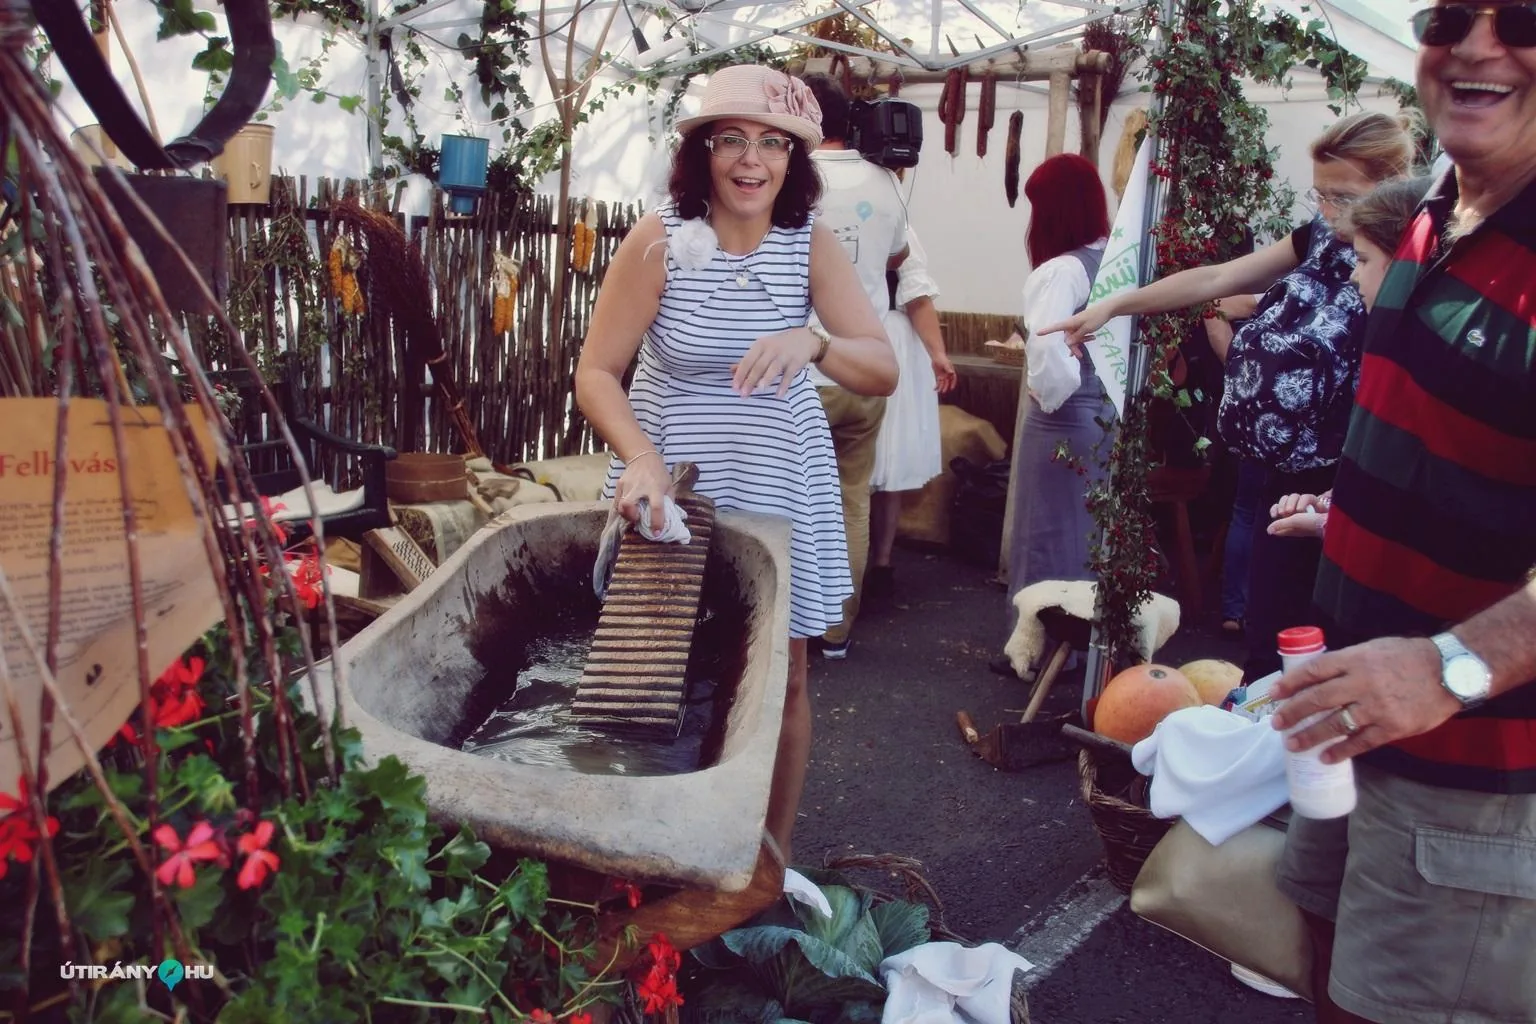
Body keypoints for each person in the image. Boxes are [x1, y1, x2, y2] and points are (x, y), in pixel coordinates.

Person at [1269, 4, 1536, 1021]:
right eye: (1453, 14)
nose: (1477, 44)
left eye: (1522, 17)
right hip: (1358, 733)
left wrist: (1448, 666)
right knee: (1327, 984)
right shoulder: (1432, 210)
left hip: (1473, 780)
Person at [573, 64, 897, 861]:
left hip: (779, 480)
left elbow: (881, 368)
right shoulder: (658, 242)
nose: (752, 160)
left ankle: (765, 862)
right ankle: (647, 853)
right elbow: (594, 373)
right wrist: (641, 459)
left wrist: (813, 342)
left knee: (781, 678)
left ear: (795, 157)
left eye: (772, 143)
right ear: (702, 153)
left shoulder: (808, 245)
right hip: (673, 480)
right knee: (653, 670)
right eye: (732, 140)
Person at [1043, 111, 1417, 682]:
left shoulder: (1409, 261)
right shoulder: (1317, 236)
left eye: (1342, 196)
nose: (1327, 210)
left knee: (1326, 645)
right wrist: (1115, 304)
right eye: (1319, 193)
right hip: (1275, 470)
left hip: (1338, 480)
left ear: (1392, 184)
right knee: (1269, 645)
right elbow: (1216, 278)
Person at [801, 73, 911, 659]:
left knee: (783, 502)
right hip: (864, 367)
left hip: (799, 372)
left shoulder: (787, 178)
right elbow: (900, 256)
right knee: (851, 497)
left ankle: (783, 626)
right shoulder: (886, 182)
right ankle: (837, 630)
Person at [1268, 174, 1437, 541]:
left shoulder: (1424, 367)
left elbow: (1421, 503)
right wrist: (1327, 506)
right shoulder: (1398, 349)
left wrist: (1327, 521)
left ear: (1406, 261)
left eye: (1362, 260)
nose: (1354, 277)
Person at [1003, 153, 1115, 627]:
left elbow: (1050, 351)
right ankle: (1077, 649)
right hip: (1105, 415)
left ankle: (1036, 646)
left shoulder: (1063, 270)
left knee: (1043, 535)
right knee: (1087, 536)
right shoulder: (1110, 257)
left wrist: (1043, 392)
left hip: (1062, 418)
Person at [865, 226, 957, 606]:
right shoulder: (894, 221)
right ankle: (878, 566)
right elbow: (917, 296)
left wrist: (937, 353)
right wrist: (938, 354)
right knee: (885, 458)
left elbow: (917, 295)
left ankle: (868, 567)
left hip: (863, 339)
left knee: (872, 461)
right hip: (881, 340)